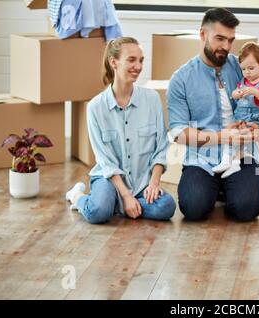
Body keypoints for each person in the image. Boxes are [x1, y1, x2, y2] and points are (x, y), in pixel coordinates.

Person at [167, 8, 259, 221]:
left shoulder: (241, 68)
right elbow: (178, 132)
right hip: (202, 158)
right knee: (193, 208)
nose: (226, 47)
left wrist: (257, 126)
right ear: (203, 35)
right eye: (219, 38)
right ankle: (218, 187)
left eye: (230, 40)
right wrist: (222, 137)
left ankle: (228, 188)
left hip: (241, 154)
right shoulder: (181, 79)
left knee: (247, 209)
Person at [65, 37, 176, 224]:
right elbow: (105, 160)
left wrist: (154, 182)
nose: (138, 66)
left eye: (141, 60)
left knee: (167, 206)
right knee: (98, 213)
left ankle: (117, 207)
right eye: (131, 60)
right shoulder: (95, 107)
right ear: (113, 62)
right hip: (109, 180)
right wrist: (125, 196)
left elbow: (161, 148)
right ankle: (78, 197)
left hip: (142, 181)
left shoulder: (152, 99)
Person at [212, 41, 259, 178]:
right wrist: (235, 94)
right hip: (241, 116)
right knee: (230, 133)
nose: (247, 72)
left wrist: (254, 91)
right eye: (244, 69)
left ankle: (235, 162)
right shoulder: (244, 81)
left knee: (244, 139)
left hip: (255, 118)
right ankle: (228, 161)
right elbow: (235, 94)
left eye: (251, 68)